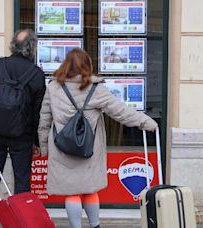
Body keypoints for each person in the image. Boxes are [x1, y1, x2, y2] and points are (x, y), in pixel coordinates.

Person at [38, 48, 157, 228]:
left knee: (72, 193)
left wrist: (44, 149)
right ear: (88, 65)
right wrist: (146, 122)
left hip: (61, 148)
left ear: (65, 65)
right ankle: (95, 225)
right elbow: (120, 111)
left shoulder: (54, 88)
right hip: (89, 148)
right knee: (89, 189)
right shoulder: (95, 88)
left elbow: (44, 120)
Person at [0, 29, 46, 228]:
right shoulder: (36, 75)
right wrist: (35, 142)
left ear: (13, 45)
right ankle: (22, 224)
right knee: (23, 185)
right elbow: (36, 114)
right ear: (32, 48)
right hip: (22, 137)